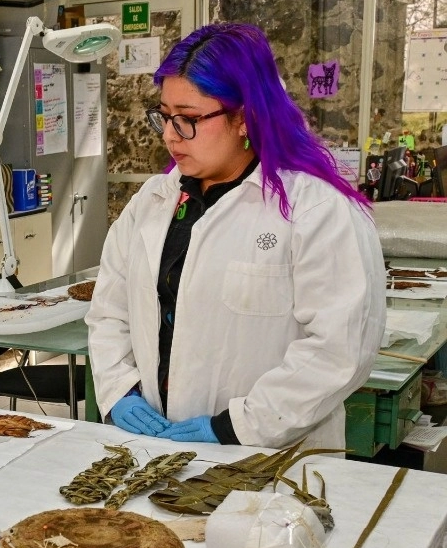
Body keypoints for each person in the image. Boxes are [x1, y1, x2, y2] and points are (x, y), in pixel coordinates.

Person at [86, 23, 385, 452]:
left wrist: (236, 426)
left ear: (244, 117)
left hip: (271, 463)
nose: (170, 135)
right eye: (165, 116)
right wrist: (119, 392)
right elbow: (109, 313)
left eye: (188, 119)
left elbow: (340, 350)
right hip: (154, 448)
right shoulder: (151, 203)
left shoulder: (317, 210)